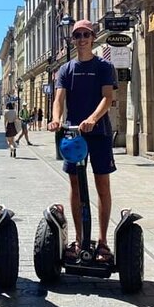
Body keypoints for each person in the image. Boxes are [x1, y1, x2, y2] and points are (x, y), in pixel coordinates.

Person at [47, 19, 118, 263]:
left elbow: (107, 98)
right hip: (74, 134)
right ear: (73, 39)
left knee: (102, 185)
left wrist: (93, 119)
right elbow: (58, 99)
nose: (82, 39)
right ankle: (79, 239)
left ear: (93, 37)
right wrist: (56, 119)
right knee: (75, 185)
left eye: (86, 34)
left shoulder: (104, 67)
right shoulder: (66, 69)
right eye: (77, 35)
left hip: (98, 133)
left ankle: (103, 242)